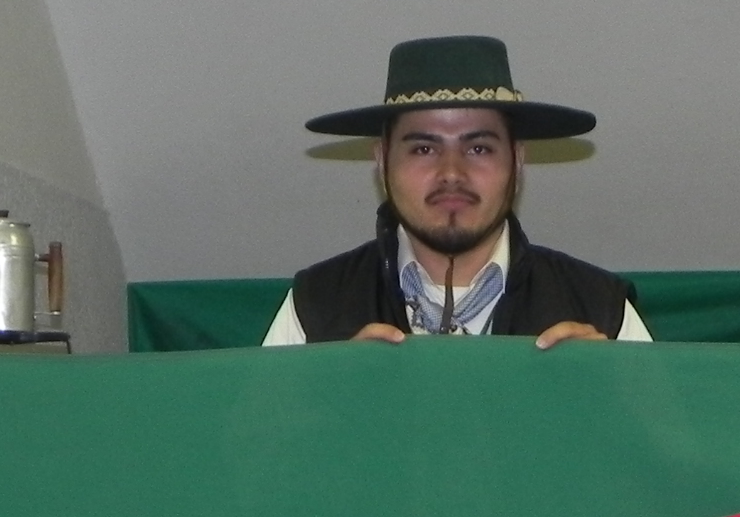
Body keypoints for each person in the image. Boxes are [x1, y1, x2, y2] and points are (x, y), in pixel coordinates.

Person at [265, 35, 651, 347]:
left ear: (517, 161)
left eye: (478, 148)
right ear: (382, 162)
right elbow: (261, 424)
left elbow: (660, 425)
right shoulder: (315, 307)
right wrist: (330, 390)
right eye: (423, 149)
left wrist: (602, 389)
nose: (451, 172)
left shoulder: (600, 308)